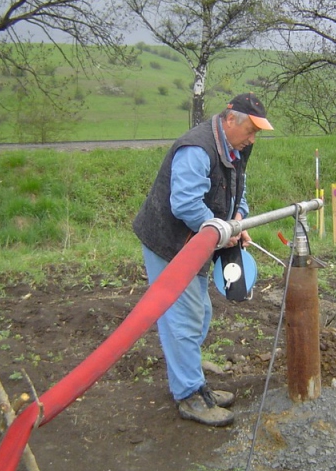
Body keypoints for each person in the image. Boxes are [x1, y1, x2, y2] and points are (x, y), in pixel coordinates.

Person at [133, 93, 274, 426]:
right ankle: (189, 395)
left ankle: (193, 381)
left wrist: (238, 217)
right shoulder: (196, 149)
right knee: (183, 318)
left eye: (257, 132)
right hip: (170, 243)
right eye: (251, 130)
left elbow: (239, 186)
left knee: (199, 313)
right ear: (229, 120)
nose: (254, 138)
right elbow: (184, 204)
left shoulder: (237, 146)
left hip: (199, 242)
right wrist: (224, 231)